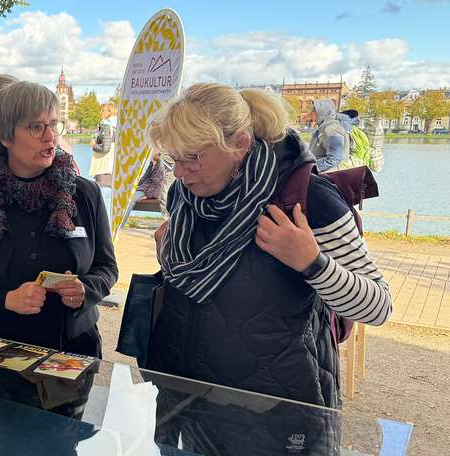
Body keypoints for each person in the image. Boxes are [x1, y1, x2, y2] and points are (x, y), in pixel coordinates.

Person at [146, 83, 393, 454]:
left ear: (240, 144)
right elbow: (200, 283)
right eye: (173, 159)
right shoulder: (183, 195)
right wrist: (169, 256)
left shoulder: (310, 198)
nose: (180, 173)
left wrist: (312, 262)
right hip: (190, 406)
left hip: (279, 418)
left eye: (193, 157)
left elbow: (378, 307)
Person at [0, 81, 118, 358]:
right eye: (36, 127)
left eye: (54, 124)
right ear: (5, 137)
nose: (50, 137)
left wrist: (85, 289)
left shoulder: (85, 193)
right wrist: (6, 300)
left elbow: (107, 268)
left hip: (72, 349)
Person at [120, 151, 174, 227]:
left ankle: (120, 224)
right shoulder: (153, 163)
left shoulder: (161, 165)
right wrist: (134, 185)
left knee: (130, 199)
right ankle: (118, 223)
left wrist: (148, 196)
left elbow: (158, 182)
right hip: (144, 188)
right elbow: (145, 177)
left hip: (148, 191)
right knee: (126, 196)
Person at [308, 99, 349, 173]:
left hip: (328, 177)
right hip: (322, 174)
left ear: (322, 112)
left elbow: (334, 159)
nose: (310, 113)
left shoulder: (331, 129)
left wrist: (310, 168)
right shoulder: (324, 127)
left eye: (314, 110)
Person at [89, 105, 116, 187]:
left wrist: (93, 145)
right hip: (111, 166)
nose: (101, 112)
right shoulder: (116, 126)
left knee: (101, 191)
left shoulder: (106, 126)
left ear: (110, 112)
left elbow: (105, 148)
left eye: (103, 110)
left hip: (103, 167)